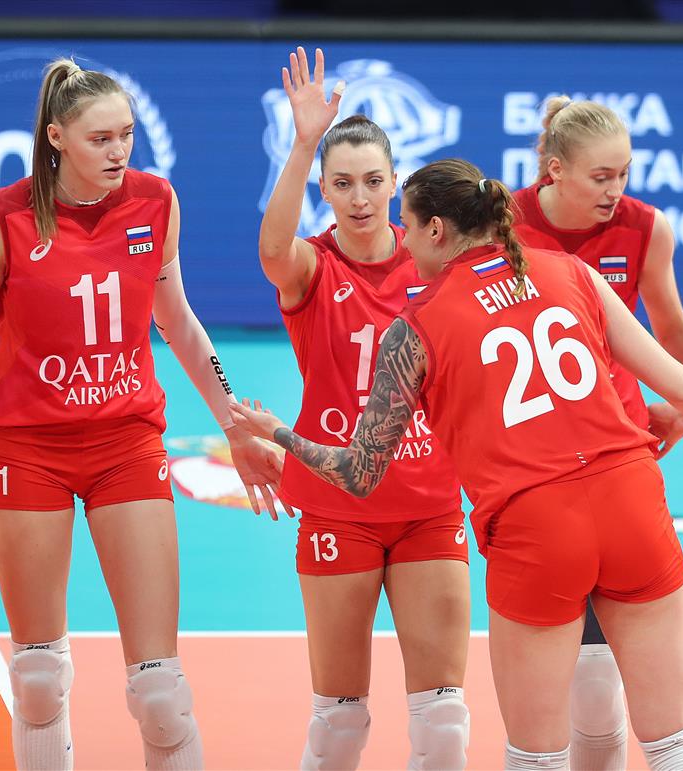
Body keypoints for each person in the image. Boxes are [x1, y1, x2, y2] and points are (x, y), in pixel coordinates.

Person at [231, 158, 683, 770]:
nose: (404, 244)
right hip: (632, 499)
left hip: (538, 521)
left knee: (537, 755)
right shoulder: (572, 271)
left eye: (409, 225)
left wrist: (280, 435)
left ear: (434, 230)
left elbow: (360, 473)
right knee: (675, 741)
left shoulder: (417, 326)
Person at [0, 58, 282, 769]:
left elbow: (177, 320)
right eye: (100, 139)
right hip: (27, 450)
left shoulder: (155, 201)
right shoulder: (4, 217)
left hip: (126, 444)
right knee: (38, 678)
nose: (119, 151)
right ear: (56, 137)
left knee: (160, 691)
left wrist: (233, 424)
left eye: (126, 135)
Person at [513, 95, 683, 769]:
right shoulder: (504, 222)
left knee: (600, 681)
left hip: (619, 450)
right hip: (535, 463)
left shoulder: (644, 227)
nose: (616, 190)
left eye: (624, 173)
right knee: (571, 687)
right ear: (554, 170)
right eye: (602, 176)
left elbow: (674, 330)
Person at [258, 47, 469, 769]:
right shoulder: (313, 266)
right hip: (337, 506)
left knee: (444, 719)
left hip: (429, 504)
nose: (359, 198)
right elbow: (273, 250)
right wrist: (304, 142)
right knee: (340, 720)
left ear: (395, 183)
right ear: (323, 187)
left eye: (374, 182)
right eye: (342, 183)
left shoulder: (434, 265)